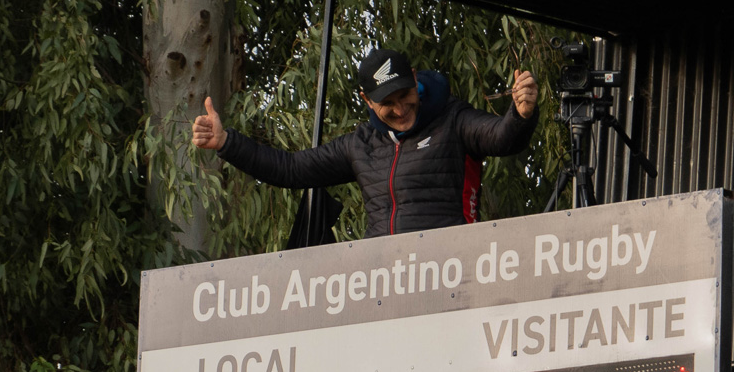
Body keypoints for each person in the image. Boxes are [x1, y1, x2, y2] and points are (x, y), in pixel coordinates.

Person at [191, 48, 539, 237]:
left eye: (405, 95)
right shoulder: (361, 144)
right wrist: (226, 142)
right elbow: (291, 169)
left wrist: (521, 113)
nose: (401, 109)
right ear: (367, 100)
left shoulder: (454, 120)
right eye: (387, 103)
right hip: (380, 280)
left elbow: (503, 138)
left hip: (448, 273)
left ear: (415, 79)